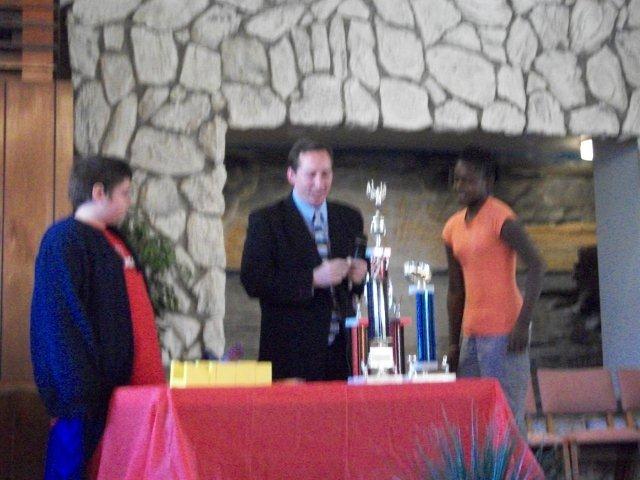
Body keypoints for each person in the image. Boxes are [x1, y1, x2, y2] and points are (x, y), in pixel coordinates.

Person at [31, 156, 165, 479]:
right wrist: (79, 388)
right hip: (85, 394)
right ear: (98, 192)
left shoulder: (116, 240)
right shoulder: (63, 240)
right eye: (125, 193)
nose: (129, 202)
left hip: (129, 390)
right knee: (72, 469)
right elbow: (59, 321)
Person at [240, 138, 368, 381]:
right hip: (291, 354)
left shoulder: (350, 217)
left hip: (344, 354)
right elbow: (253, 281)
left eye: (325, 174)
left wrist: (361, 276)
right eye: (311, 175)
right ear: (291, 175)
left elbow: (357, 286)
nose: (319, 183)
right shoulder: (266, 220)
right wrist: (312, 279)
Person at [443, 146, 545, 434]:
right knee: (472, 420)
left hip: (505, 333)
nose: (460, 186)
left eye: (468, 180)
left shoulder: (501, 218)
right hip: (471, 337)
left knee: (506, 421)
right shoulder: (451, 228)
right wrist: (453, 343)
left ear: (488, 181)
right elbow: (455, 289)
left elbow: (537, 265)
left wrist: (522, 325)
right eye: (457, 179)